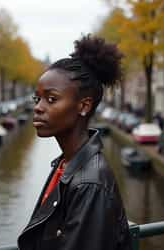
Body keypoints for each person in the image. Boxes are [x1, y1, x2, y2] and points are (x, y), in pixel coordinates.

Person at [17, 35, 132, 250]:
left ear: (84, 106)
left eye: (51, 99)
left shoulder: (90, 184)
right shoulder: (66, 164)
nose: (38, 107)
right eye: (37, 99)